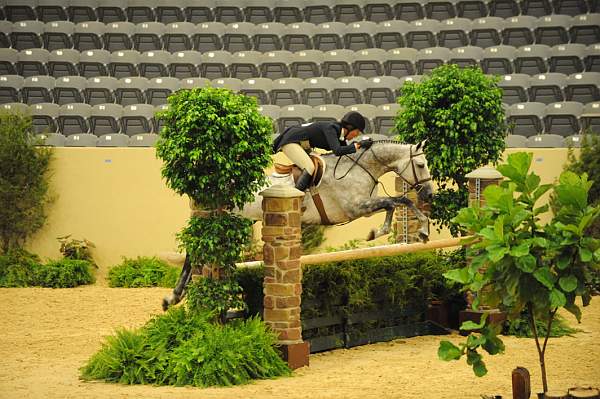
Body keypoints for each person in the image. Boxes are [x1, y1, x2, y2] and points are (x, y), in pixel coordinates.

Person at [272, 111, 373, 191]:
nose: (357, 135)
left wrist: (362, 147)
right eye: (357, 132)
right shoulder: (331, 128)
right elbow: (337, 151)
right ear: (350, 127)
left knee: (319, 162)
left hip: (303, 145)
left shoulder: (340, 135)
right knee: (309, 167)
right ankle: (296, 197)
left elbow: (344, 154)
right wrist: (358, 145)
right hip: (293, 141)